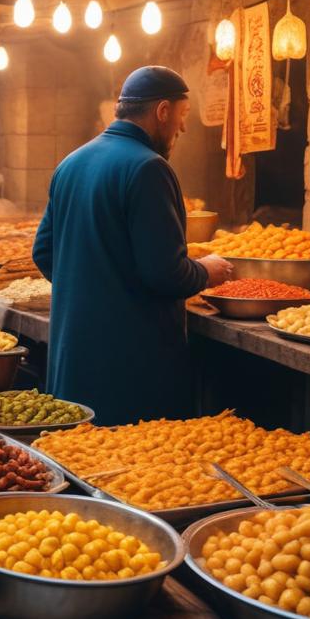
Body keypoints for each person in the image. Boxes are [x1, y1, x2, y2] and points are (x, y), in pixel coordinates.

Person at [33, 66, 232, 422]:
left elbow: (44, 252)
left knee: (78, 453)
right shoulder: (148, 168)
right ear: (162, 112)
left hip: (75, 351)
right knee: (132, 467)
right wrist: (205, 270)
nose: (182, 128)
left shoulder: (70, 163)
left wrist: (92, 290)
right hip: (130, 364)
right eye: (182, 116)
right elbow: (165, 273)